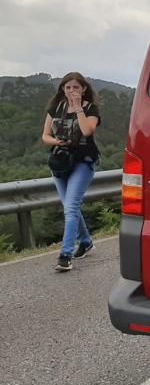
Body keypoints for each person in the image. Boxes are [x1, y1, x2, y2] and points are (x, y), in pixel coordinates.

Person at [41, 73, 101, 272]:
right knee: (70, 206)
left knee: (71, 206)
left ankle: (65, 254)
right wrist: (57, 142)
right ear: (62, 89)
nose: (71, 91)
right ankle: (85, 241)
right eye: (68, 88)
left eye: (76, 87)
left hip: (83, 162)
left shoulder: (90, 109)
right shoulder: (55, 108)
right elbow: (45, 135)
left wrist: (78, 109)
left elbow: (87, 131)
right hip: (60, 161)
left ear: (83, 89)